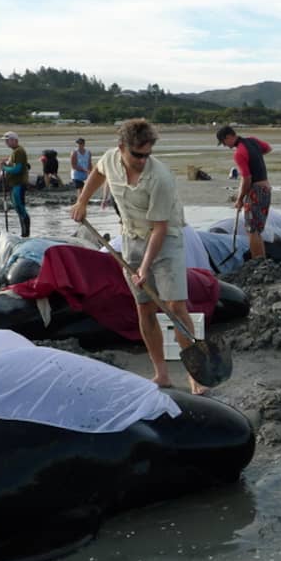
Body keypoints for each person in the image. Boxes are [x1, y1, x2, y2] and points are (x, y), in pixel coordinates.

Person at [70, 118, 207, 395]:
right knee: (144, 306)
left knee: (175, 306)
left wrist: (144, 268)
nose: (143, 161)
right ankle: (161, 374)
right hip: (132, 238)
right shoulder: (110, 159)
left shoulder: (161, 178)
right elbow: (97, 173)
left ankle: (196, 376)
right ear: (122, 147)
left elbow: (160, 229)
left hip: (165, 240)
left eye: (147, 155)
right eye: (137, 155)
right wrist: (82, 201)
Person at [216, 125, 272, 259]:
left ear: (229, 137)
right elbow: (268, 148)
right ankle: (262, 260)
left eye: (224, 142)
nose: (225, 145)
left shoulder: (239, 153)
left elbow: (246, 179)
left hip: (256, 191)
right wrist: (255, 157)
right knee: (257, 229)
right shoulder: (253, 141)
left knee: (251, 230)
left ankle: (257, 261)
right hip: (266, 189)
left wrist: (240, 199)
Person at [0, 131, 31, 237]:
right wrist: (6, 163)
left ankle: (25, 234)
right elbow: (13, 164)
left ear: (14, 140)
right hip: (14, 184)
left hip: (19, 184)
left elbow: (17, 169)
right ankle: (24, 234)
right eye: (5, 141)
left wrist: (4, 168)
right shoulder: (15, 152)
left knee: (20, 208)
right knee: (18, 209)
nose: (6, 143)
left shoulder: (19, 151)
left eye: (8, 140)